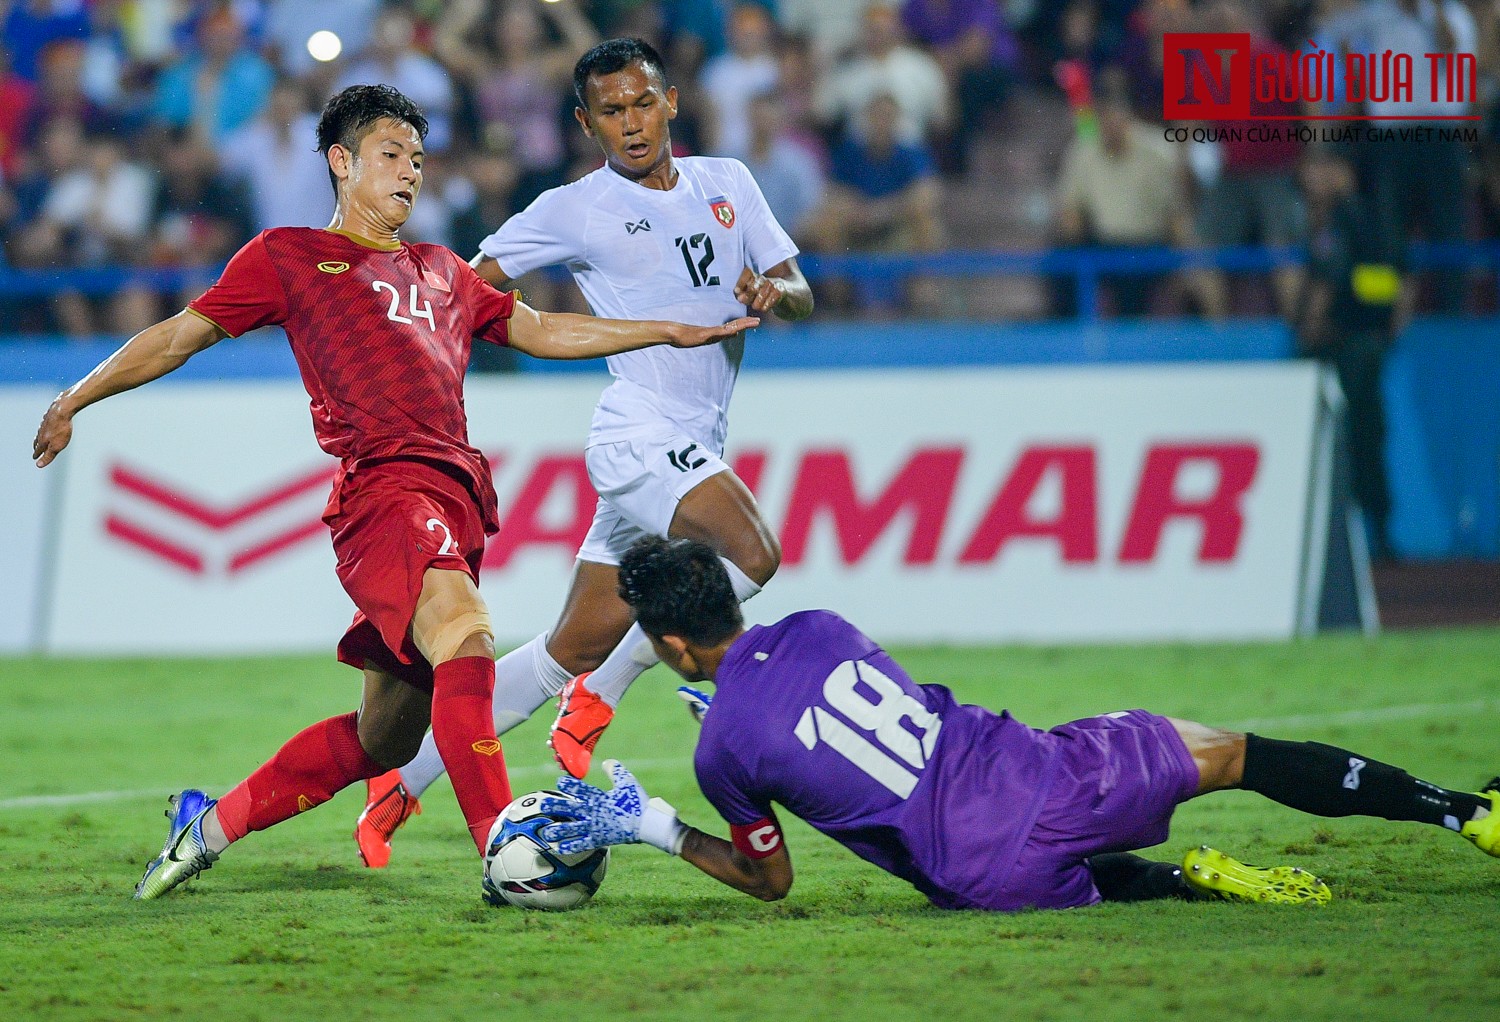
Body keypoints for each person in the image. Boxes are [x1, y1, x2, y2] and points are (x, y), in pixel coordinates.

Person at [30, 84, 755, 902]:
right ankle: (502, 846)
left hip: (455, 496)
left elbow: (543, 329)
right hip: (382, 491)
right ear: (342, 163)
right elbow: (177, 336)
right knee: (467, 637)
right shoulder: (289, 257)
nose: (409, 172)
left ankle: (207, 824)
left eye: (417, 158)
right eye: (389, 155)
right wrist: (74, 398)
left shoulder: (444, 270)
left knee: (383, 738)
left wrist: (665, 326)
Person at [352, 38, 813, 870]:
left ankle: (401, 784)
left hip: (691, 436)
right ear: (585, 122)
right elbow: (473, 281)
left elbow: (801, 292)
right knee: (752, 554)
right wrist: (447, 357)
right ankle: (599, 698)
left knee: (565, 649)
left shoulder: (730, 184)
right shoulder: (574, 207)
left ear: (671, 101)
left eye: (642, 104)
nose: (631, 124)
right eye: (611, 112)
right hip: (636, 430)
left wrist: (775, 293)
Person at [539, 536, 1498, 911]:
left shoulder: (721, 753)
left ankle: (1183, 886)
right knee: (1239, 754)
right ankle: (1466, 814)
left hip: (977, 880)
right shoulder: (820, 624)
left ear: (667, 646)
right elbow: (843, 710)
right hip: (1037, 777)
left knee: (1061, 868)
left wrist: (654, 827)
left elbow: (770, 879)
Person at [1293, 145, 1405, 560]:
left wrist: (1308, 330)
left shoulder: (1337, 220)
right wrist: (1385, 328)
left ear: (1341, 171)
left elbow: (1328, 278)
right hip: (1372, 343)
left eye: (1319, 169)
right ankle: (1379, 532)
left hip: (1339, 347)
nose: (1311, 179)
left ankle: (1330, 539)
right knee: (1370, 436)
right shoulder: (1380, 215)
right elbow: (1399, 278)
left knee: (1332, 442)